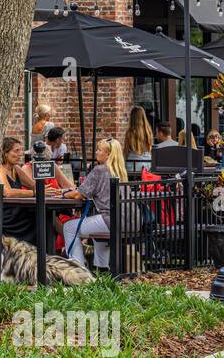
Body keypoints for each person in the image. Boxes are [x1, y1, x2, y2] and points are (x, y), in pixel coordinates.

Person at [59, 137, 128, 271]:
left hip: (111, 220)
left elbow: (80, 194)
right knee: (97, 233)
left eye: (99, 150)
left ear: (108, 154)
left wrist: (63, 194)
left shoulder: (100, 170)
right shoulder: (120, 170)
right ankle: (102, 271)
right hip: (128, 220)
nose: (96, 152)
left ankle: (79, 271)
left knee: (68, 227)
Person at [0, 136, 37, 243]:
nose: (20, 154)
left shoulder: (16, 169)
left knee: (47, 214)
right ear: (5, 153)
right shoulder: (0, 168)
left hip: (19, 211)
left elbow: (34, 186)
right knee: (40, 216)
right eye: (16, 151)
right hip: (9, 217)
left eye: (21, 150)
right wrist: (34, 192)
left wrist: (57, 191)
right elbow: (7, 192)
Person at [124, 106, 154, 173]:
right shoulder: (148, 131)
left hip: (133, 166)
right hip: (147, 165)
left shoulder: (129, 133)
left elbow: (126, 151)